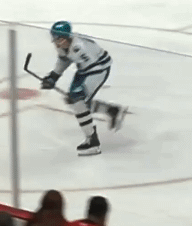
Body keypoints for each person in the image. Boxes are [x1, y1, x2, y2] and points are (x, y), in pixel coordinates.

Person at [40, 22, 127, 156]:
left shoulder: (79, 47)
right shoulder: (65, 44)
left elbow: (88, 65)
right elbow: (64, 59)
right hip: (84, 69)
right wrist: (53, 76)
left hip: (98, 70)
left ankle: (92, 142)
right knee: (76, 101)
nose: (56, 43)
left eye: (59, 39)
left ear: (66, 38)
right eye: (55, 39)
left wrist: (78, 94)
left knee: (78, 101)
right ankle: (112, 110)